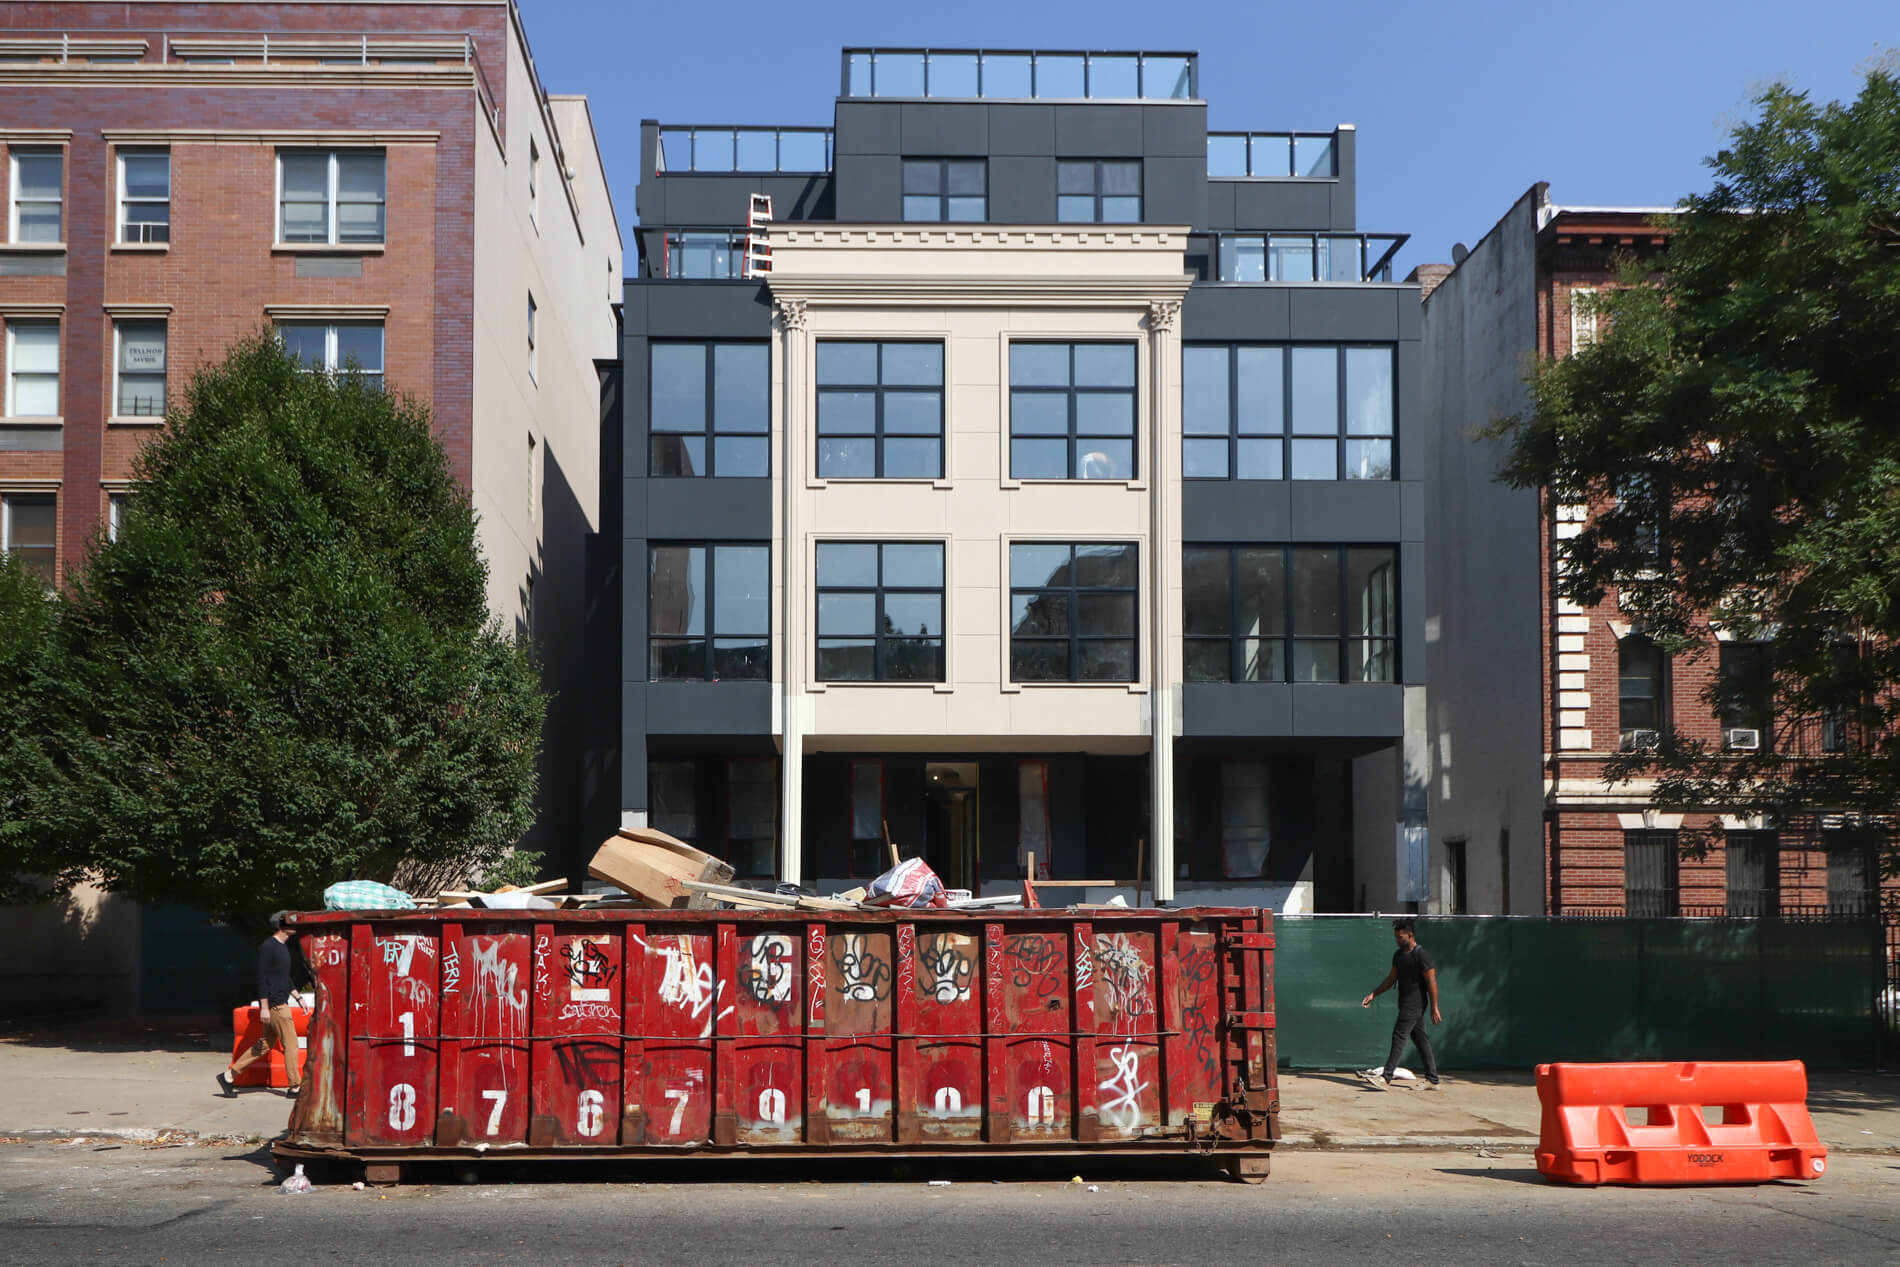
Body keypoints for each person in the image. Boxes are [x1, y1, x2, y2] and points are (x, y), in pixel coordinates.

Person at [217, 911, 303, 1097]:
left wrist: (298, 997)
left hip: (279, 1002)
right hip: (276, 1004)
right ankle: (295, 1086)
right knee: (292, 1045)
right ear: (281, 925)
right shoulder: (268, 947)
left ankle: (228, 1076)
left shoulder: (282, 947)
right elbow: (262, 978)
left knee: (265, 1044)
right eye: (290, 921)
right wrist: (264, 1007)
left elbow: (284, 977)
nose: (295, 924)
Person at [1358, 917, 1442, 1089]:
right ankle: (1433, 1079)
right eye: (1396, 937)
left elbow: (1432, 983)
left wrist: (1434, 1007)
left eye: (1400, 937)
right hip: (1404, 1003)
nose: (1397, 940)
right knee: (1421, 1040)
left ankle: (1386, 1077)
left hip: (1415, 1004)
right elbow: (1391, 979)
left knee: (1399, 1036)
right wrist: (1374, 994)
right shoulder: (1398, 955)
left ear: (1410, 935)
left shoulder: (1421, 955)